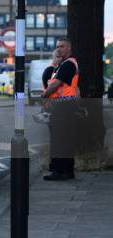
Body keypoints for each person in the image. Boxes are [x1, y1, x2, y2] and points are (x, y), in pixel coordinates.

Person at [42, 37, 79, 180]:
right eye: (57, 46)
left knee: (58, 140)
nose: (59, 48)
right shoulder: (63, 65)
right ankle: (67, 170)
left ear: (69, 48)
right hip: (65, 105)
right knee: (65, 139)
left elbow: (55, 84)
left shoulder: (68, 64)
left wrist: (44, 95)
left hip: (62, 107)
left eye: (62, 46)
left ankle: (58, 171)